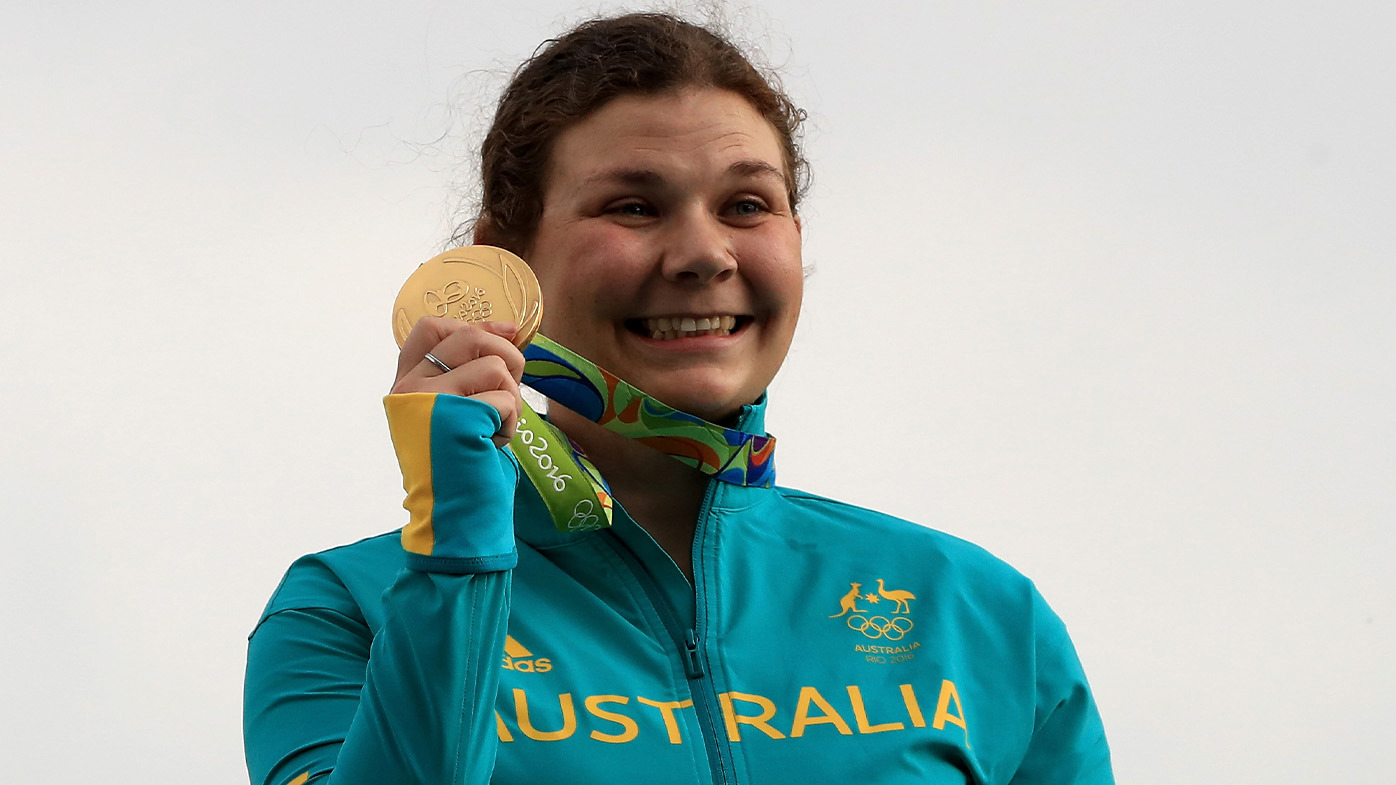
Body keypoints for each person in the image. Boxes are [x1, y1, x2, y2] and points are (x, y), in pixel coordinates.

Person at [243, 12, 1113, 785]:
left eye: (746, 204)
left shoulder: (977, 613)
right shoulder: (346, 606)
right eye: (632, 206)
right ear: (509, 262)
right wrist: (459, 554)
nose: (703, 252)